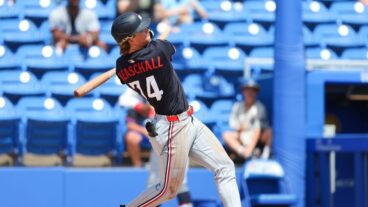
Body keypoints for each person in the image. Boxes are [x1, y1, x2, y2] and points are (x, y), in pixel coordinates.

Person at [111, 12, 241, 207]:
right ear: (129, 39)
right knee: (168, 190)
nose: (147, 30)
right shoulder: (159, 50)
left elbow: (133, 57)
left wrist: (132, 50)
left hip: (186, 120)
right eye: (141, 30)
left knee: (225, 167)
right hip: (171, 128)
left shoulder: (121, 68)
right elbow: (167, 46)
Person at [120, 88, 194, 206]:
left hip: (174, 139)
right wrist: (142, 107)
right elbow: (124, 99)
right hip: (167, 142)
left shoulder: (171, 94)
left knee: (169, 184)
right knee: (166, 183)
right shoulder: (152, 94)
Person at [222, 79, 272, 160]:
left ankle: (264, 156)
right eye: (247, 91)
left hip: (257, 138)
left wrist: (250, 148)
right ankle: (243, 153)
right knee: (226, 135)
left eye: (252, 91)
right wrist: (240, 128)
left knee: (269, 132)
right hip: (242, 135)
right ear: (243, 92)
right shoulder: (237, 106)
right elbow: (233, 124)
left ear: (256, 93)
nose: (250, 94)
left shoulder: (260, 107)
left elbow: (258, 130)